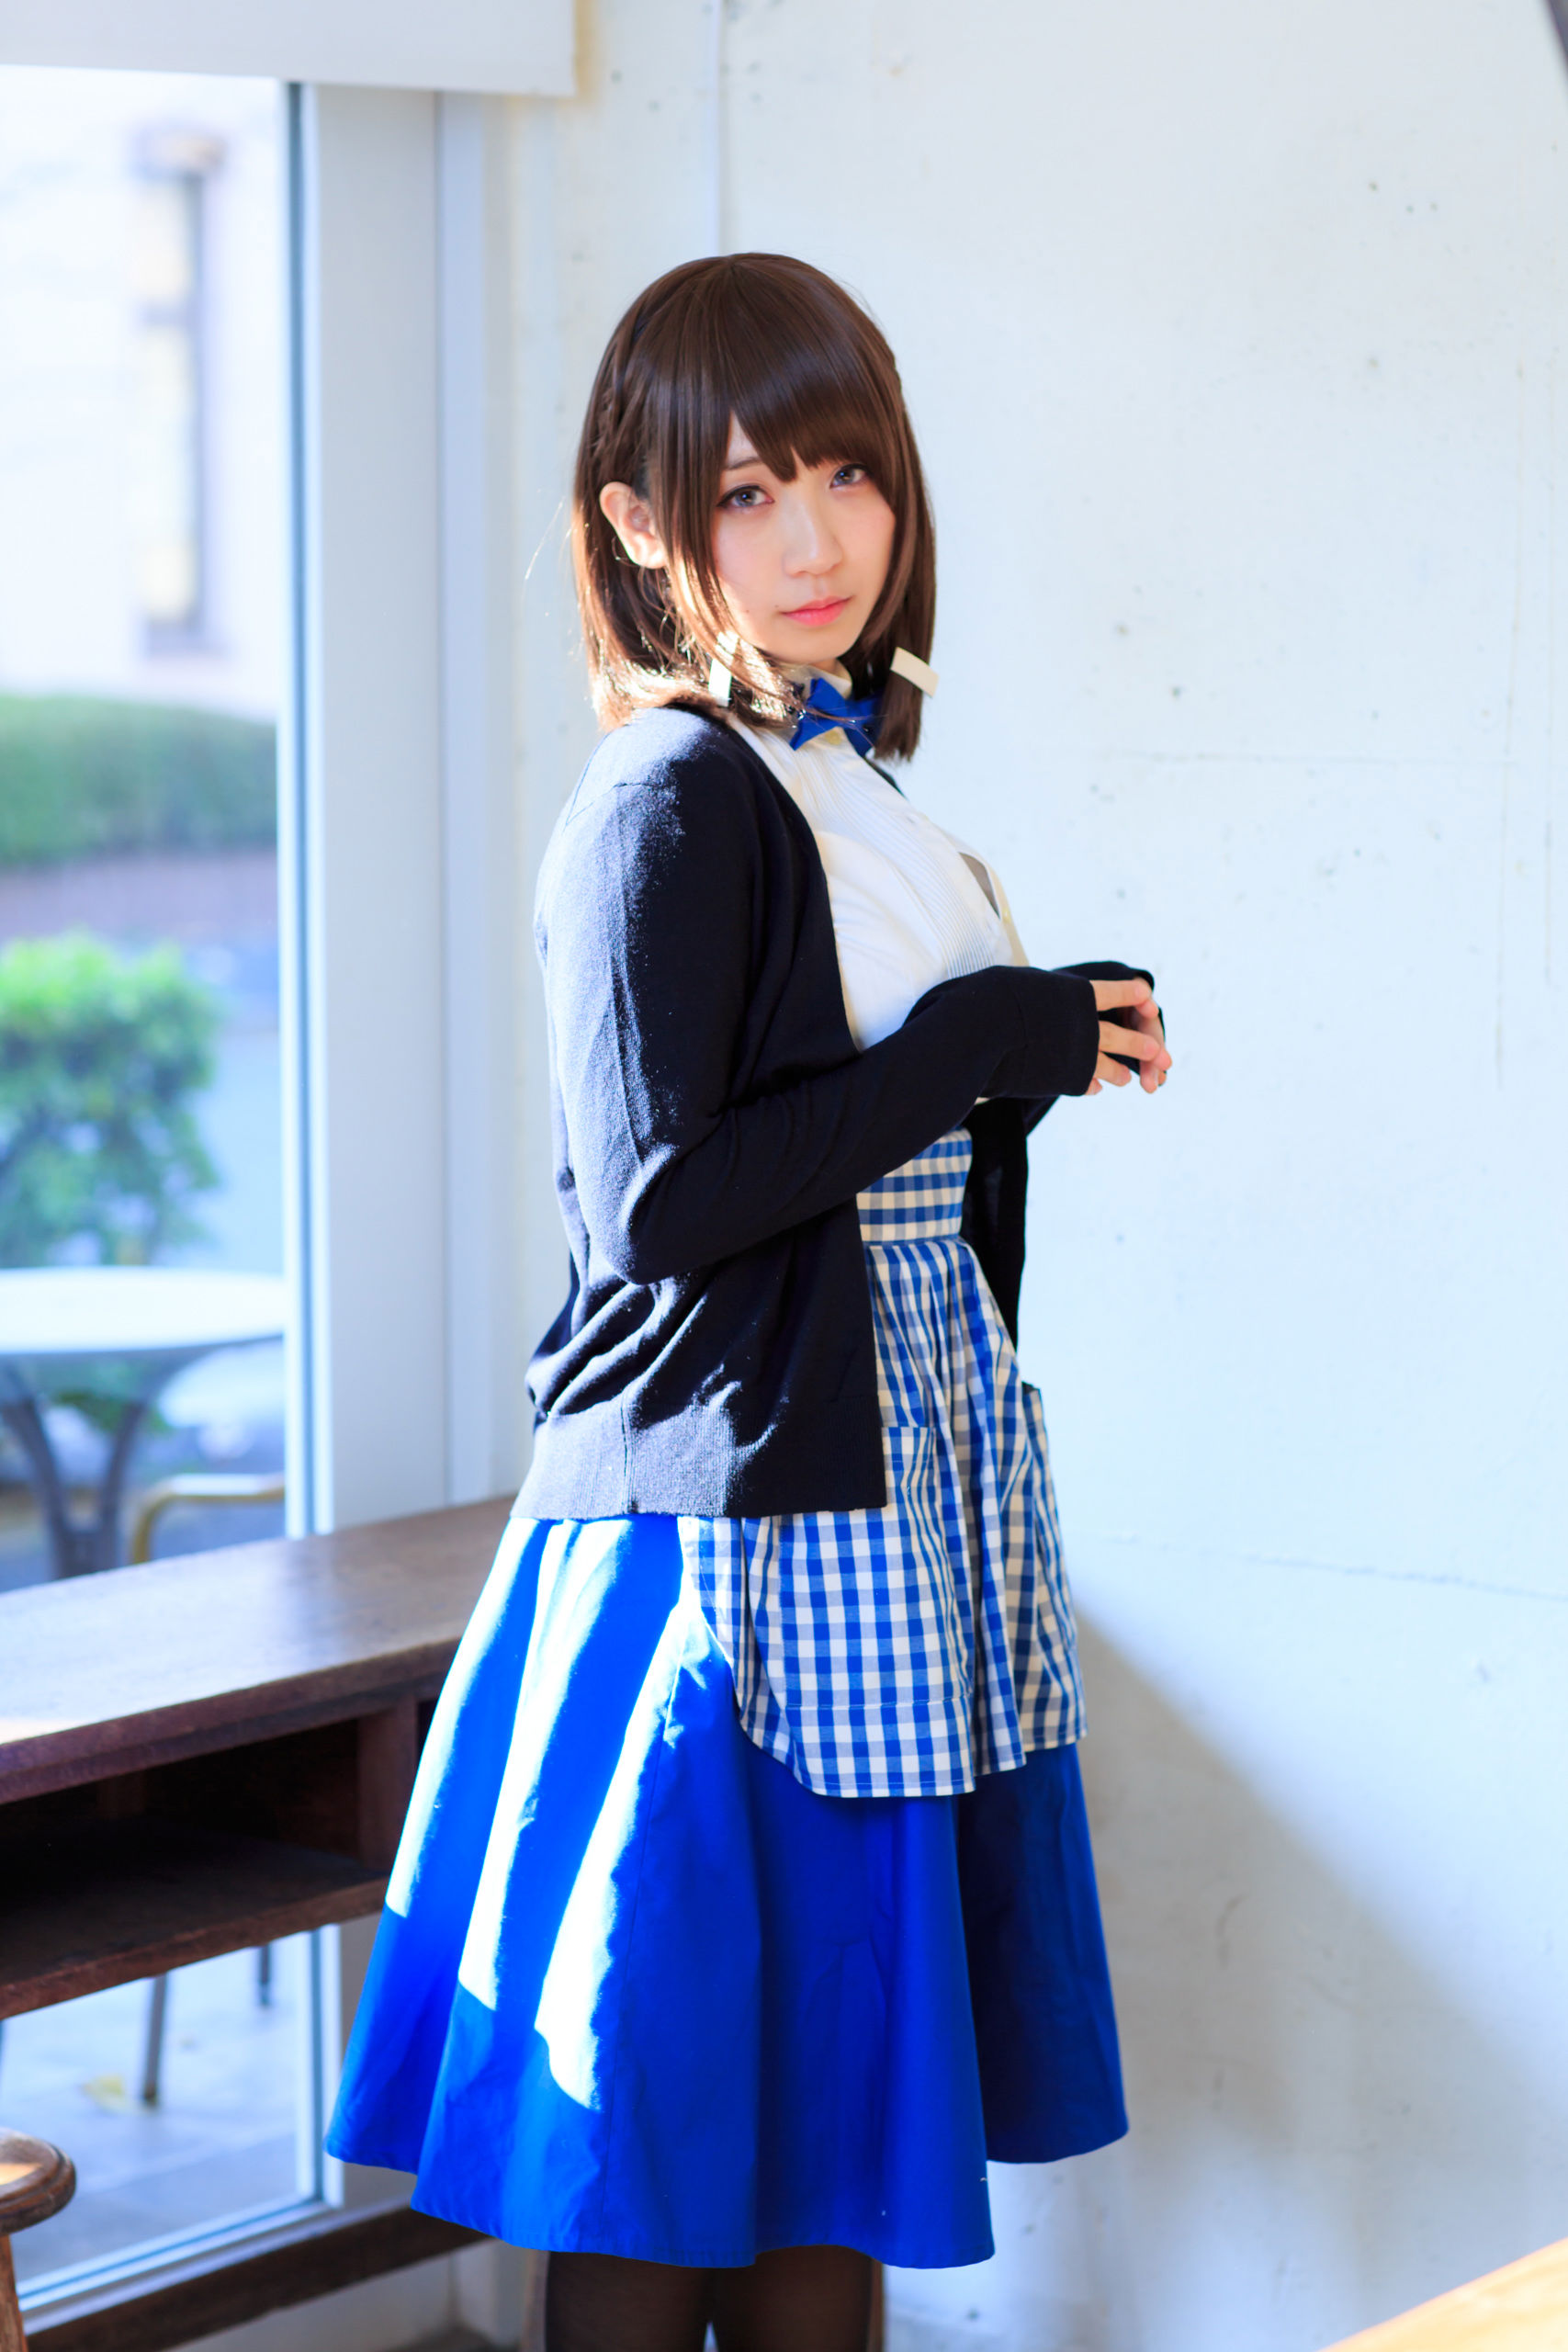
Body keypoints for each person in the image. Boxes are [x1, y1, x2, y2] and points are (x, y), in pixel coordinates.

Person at [326, 252, 1170, 2352]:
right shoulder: (668, 789)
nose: (815, 540)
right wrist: (979, 1038)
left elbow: (862, 1137)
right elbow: (657, 1204)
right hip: (732, 1549)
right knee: (668, 2132)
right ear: (636, 521)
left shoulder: (838, 775)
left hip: (884, 1502)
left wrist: (1031, 1053)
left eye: (847, 475)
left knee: (826, 2133)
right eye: (743, 492)